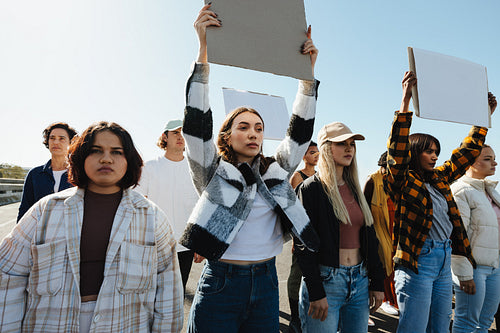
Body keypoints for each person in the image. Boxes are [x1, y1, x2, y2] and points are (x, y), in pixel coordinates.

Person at [179, 4, 320, 332]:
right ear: (226, 134)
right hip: (221, 285)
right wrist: (203, 51)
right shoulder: (214, 171)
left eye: (258, 127)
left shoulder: (277, 170)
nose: (253, 132)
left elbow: (299, 134)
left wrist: (306, 79)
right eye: (243, 126)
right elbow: (196, 127)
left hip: (267, 281)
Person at [0, 121, 183, 332]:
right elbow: (9, 273)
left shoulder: (152, 217)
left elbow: (168, 288)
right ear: (80, 157)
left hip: (125, 324)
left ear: (129, 160)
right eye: (96, 151)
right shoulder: (46, 210)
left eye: (116, 152)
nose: (106, 158)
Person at [384, 71, 496, 332]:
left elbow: (466, 154)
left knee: (440, 326)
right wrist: (405, 102)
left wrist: (483, 118)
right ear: (413, 152)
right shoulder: (402, 180)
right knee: (414, 327)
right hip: (417, 261)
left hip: (445, 258)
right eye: (428, 150)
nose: (434, 156)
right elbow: (396, 152)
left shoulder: (440, 178)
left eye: (436, 151)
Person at [295, 122, 385, 332]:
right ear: (326, 147)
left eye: (352, 144)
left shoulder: (355, 188)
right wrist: (316, 292)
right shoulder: (311, 189)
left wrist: (377, 282)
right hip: (326, 280)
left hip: (360, 280)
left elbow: (370, 238)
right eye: (341, 143)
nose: (349, 148)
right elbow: (303, 245)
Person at [137, 119, 199, 293]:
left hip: (184, 246)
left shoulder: (195, 169)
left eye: (184, 133)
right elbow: (139, 204)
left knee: (177, 296)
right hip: (154, 244)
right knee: (150, 296)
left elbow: (201, 207)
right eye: (175, 133)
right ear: (165, 137)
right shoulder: (150, 167)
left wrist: (200, 243)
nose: (181, 137)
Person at [451, 143, 500, 333]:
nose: (494, 163)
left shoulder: (490, 191)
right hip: (474, 269)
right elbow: (458, 234)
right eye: (487, 159)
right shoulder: (461, 191)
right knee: (467, 323)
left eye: (493, 158)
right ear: (469, 163)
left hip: (495, 266)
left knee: (485, 322)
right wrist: (464, 274)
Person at [287, 141, 319, 333]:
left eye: (318, 152)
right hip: (302, 234)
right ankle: (294, 317)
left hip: (318, 235)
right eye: (312, 152)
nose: (316, 155)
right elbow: (294, 210)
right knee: (296, 276)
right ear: (303, 155)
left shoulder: (321, 176)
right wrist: (295, 238)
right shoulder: (297, 176)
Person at [17, 122, 78, 221]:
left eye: (61, 138)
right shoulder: (35, 174)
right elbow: (25, 208)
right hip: (39, 232)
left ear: (71, 142)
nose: (56, 142)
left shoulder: (79, 173)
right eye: (52, 138)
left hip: (70, 232)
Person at [363, 152, 399, 317]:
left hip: (395, 232)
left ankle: (392, 299)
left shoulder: (399, 182)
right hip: (378, 231)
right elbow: (363, 209)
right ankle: (382, 300)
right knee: (382, 266)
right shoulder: (373, 180)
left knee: (395, 267)